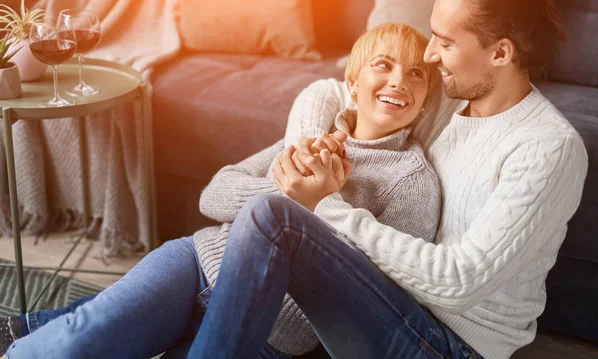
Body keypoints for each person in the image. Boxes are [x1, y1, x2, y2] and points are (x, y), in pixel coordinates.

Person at [1, 22, 442, 359]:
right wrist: (286, 182)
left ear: (425, 99)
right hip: (197, 264)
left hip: (269, 330)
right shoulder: (310, 136)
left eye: (416, 73)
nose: (400, 80)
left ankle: (22, 330)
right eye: (383, 65)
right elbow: (212, 195)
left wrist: (322, 200)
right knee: (85, 336)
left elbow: (370, 294)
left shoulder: (411, 180)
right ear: (352, 83)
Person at [182, 0, 589, 358]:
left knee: (274, 217)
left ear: (500, 53)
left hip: (451, 345)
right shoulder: (450, 103)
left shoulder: (547, 148)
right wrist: (307, 153)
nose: (430, 55)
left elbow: (459, 282)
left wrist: (325, 204)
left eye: (445, 43)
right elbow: (332, 89)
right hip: (392, 302)